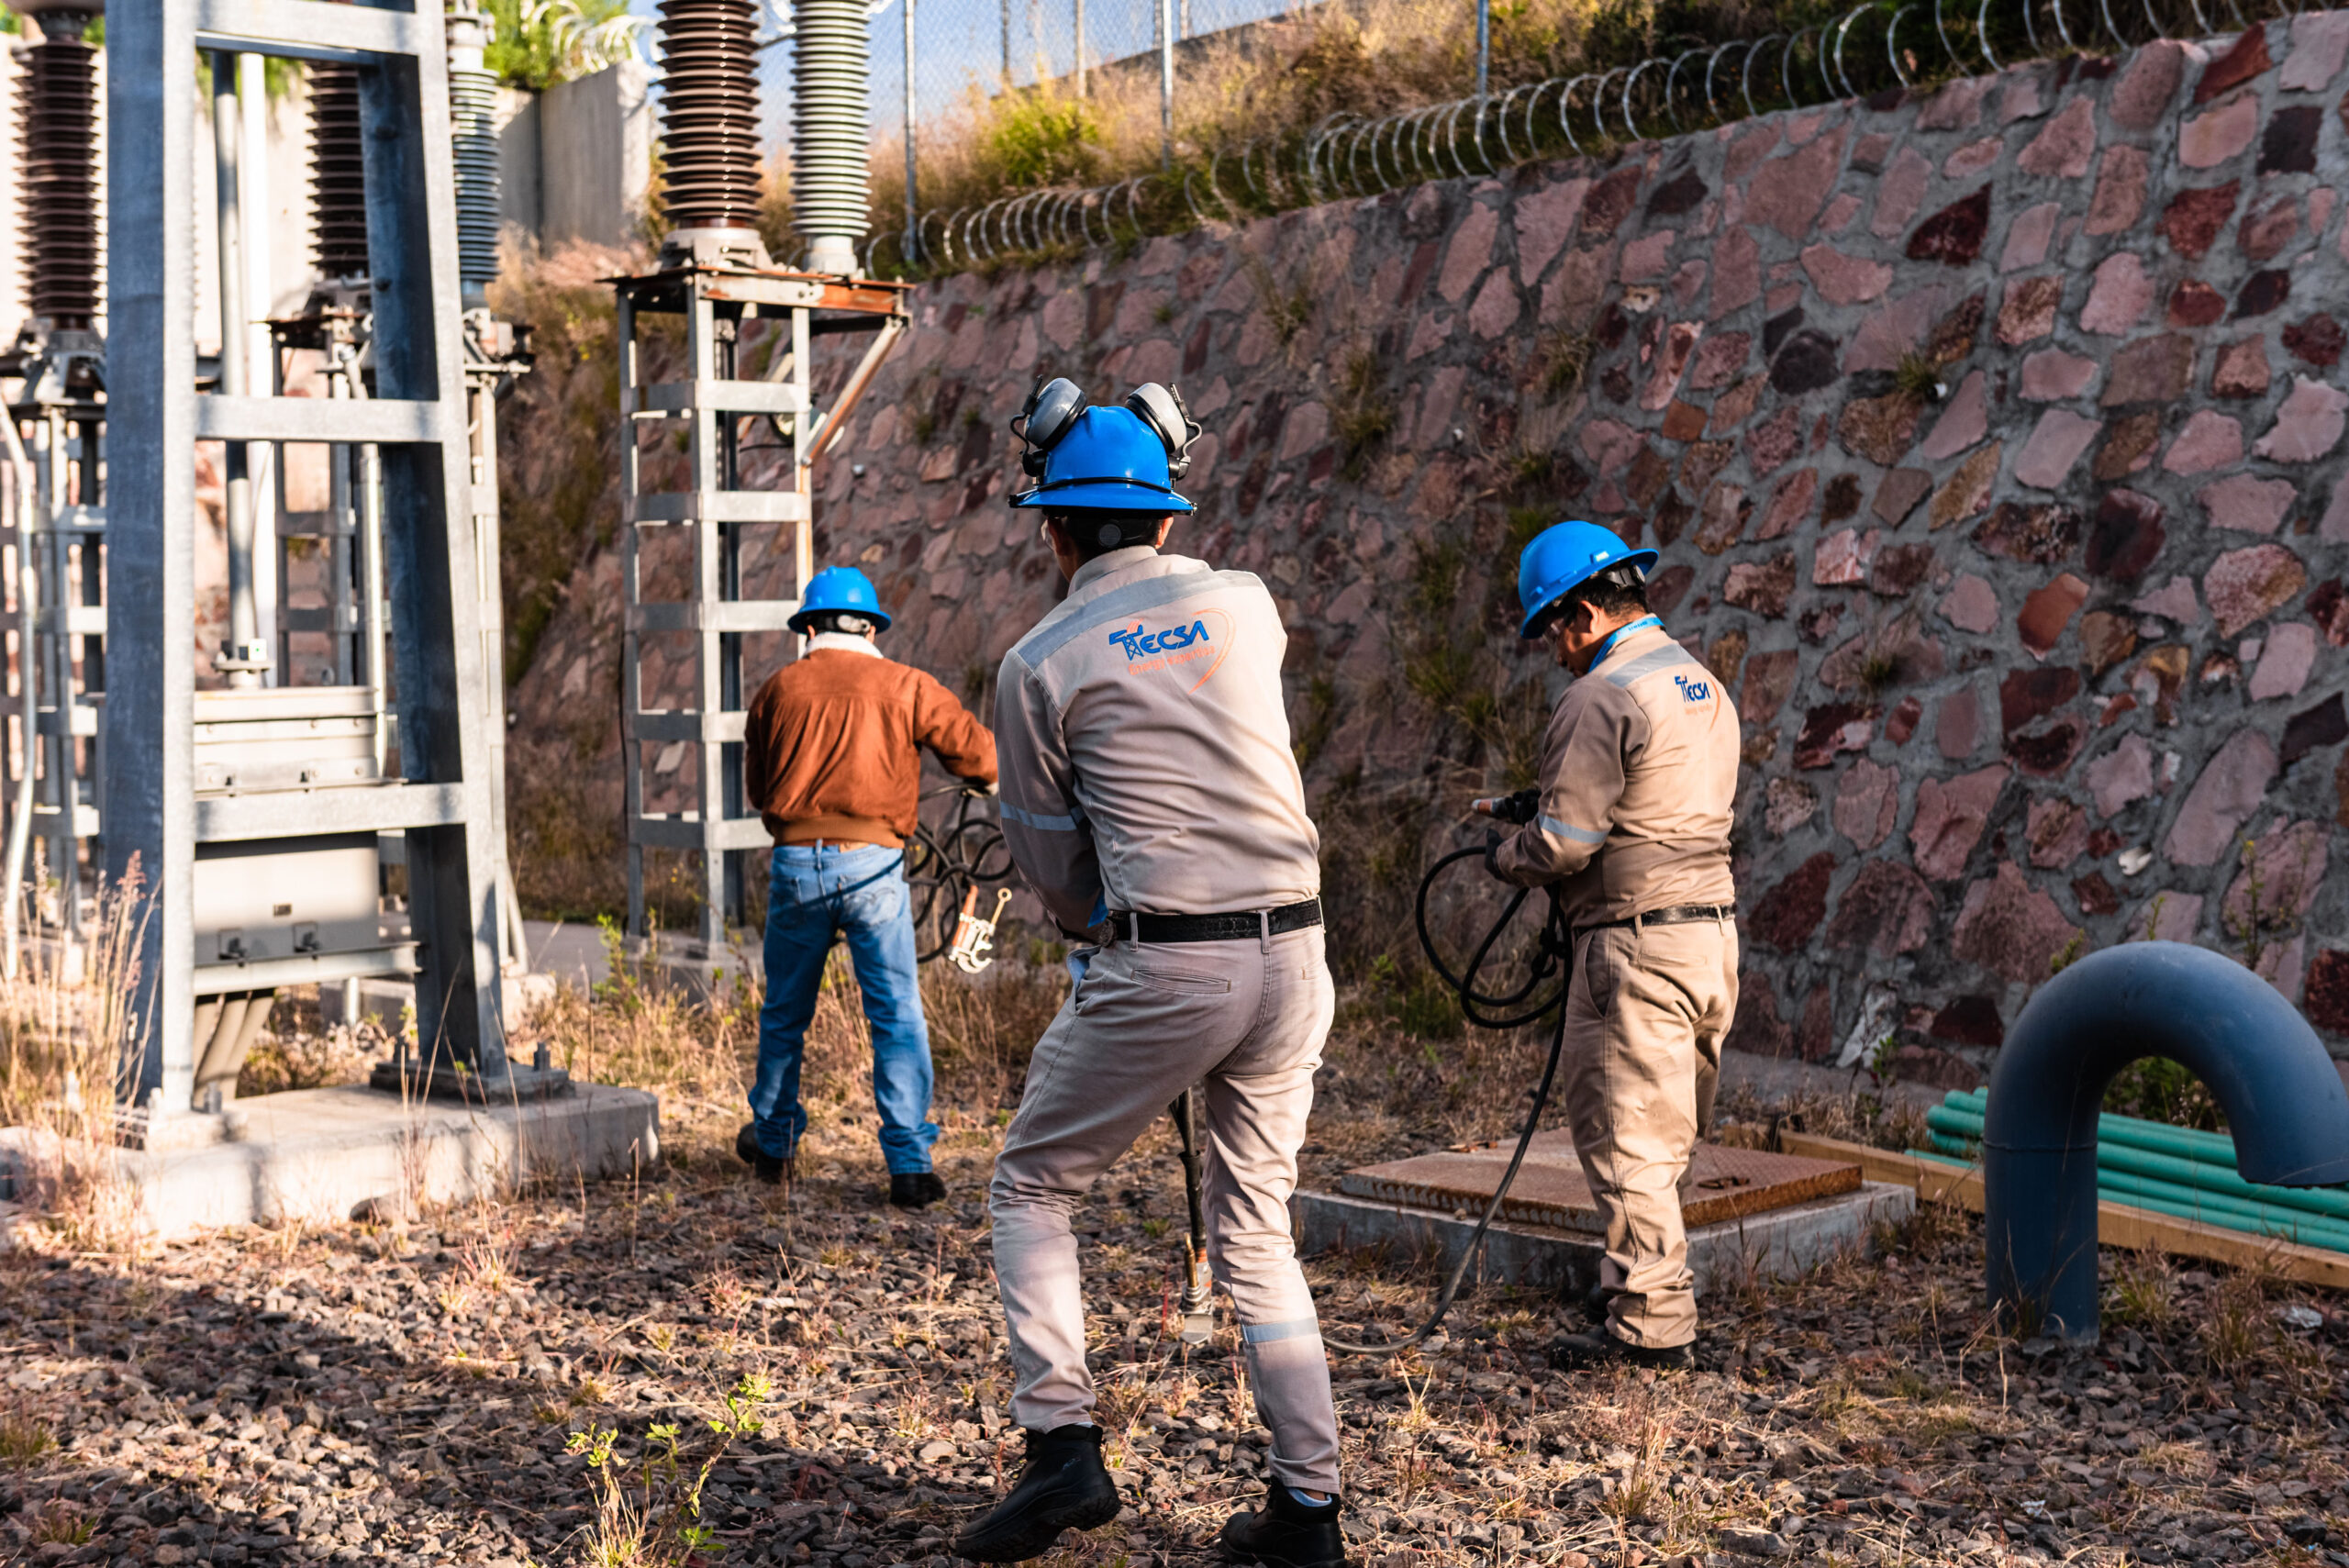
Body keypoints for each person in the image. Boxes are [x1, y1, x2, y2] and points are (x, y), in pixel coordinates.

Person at [952, 384, 1348, 1568]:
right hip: (1298, 951)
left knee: (1032, 1185)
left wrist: (1098, 936)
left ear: (1053, 528)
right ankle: (1307, 1512)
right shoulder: (1249, 604)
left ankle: (1063, 1447)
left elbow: (1050, 854)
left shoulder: (1039, 660)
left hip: (1169, 959)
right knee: (1257, 1230)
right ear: (1167, 515)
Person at [1481, 520, 1742, 1372]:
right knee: (1666, 1134)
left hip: (1633, 948)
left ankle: (1651, 1328)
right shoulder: (1699, 682)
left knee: (1626, 1136)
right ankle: (1644, 1282)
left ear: (1583, 613)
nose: (1554, 650)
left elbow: (1564, 843)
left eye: (1553, 631)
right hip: (1710, 939)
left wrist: (1504, 854)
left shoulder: (1599, 695)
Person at [735, 564, 997, 1208]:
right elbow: (980, 754)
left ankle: (773, 1144)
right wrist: (983, 781)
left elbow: (760, 790)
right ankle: (908, 1163)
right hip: (874, 865)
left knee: (785, 1013)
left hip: (797, 861)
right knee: (895, 1013)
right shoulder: (905, 684)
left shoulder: (777, 690)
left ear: (810, 628)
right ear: (872, 627)